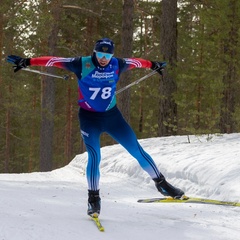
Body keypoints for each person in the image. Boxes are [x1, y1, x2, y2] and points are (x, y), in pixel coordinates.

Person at [7, 38, 184, 217]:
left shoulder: (118, 64)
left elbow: (138, 62)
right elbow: (53, 60)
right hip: (89, 118)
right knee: (94, 155)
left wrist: (153, 65)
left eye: (107, 55)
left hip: (112, 117)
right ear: (94, 52)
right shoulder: (80, 64)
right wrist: (27, 61)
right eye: (100, 54)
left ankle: (162, 185)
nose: (103, 58)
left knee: (136, 149)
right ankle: (93, 198)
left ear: (112, 55)